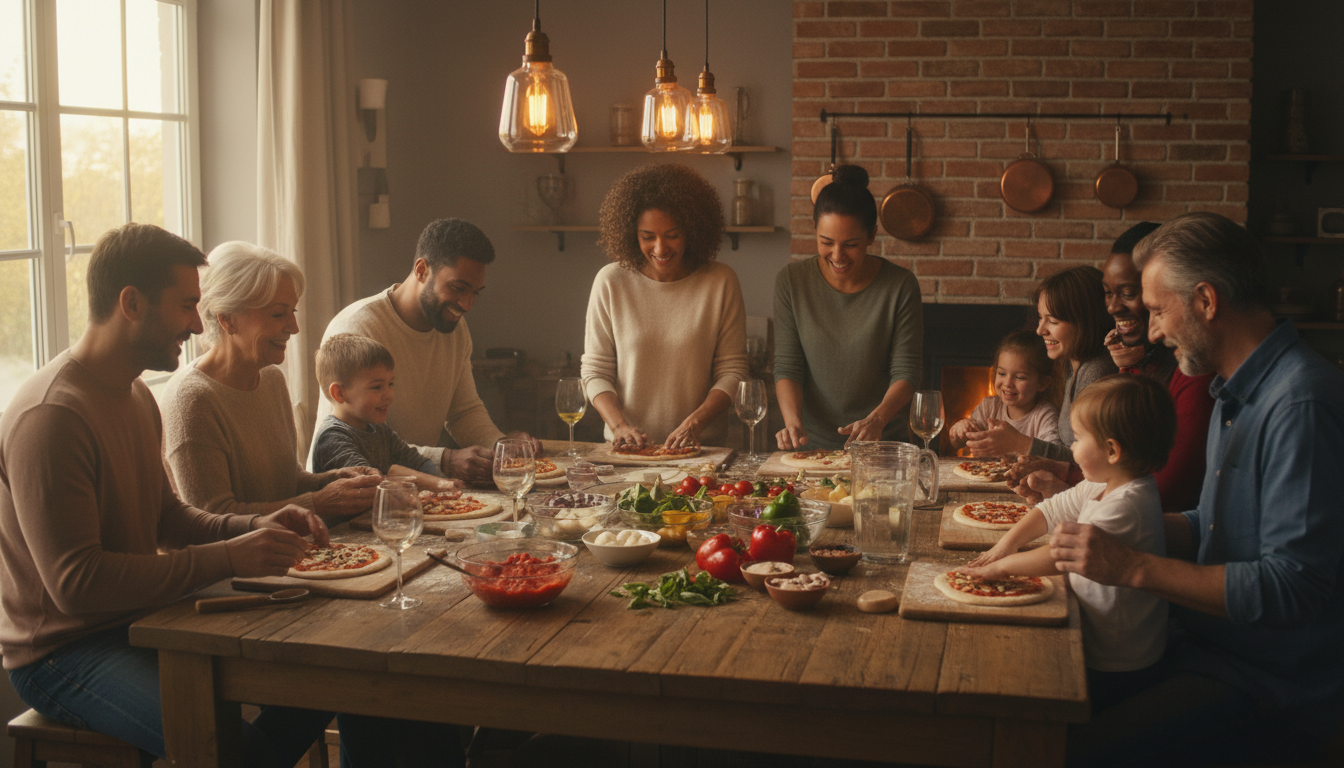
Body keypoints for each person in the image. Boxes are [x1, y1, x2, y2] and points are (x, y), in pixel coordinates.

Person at [0, 223, 333, 765]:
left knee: (333, 677)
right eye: (185, 306)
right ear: (131, 303)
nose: (196, 323)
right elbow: (76, 586)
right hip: (63, 653)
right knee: (234, 750)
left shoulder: (133, 391)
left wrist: (255, 528)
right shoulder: (52, 416)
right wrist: (227, 555)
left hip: (139, 619)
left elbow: (169, 520)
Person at [1054, 212, 1344, 766]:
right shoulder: (1232, 389)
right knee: (1050, 693)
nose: (1154, 330)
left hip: (1268, 685)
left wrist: (1131, 567)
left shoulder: (1301, 403)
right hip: (1203, 647)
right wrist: (1107, 520)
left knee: (1063, 750)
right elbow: (1208, 525)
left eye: (1159, 310)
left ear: (1206, 301)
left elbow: (1293, 589)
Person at [964, 374, 1175, 712]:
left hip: (1117, 658)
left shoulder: (1128, 503)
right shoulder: (1104, 482)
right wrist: (1004, 546)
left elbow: (1061, 556)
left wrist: (1000, 568)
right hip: (1092, 630)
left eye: (1077, 439)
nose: (1071, 448)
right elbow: (1051, 509)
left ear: (1111, 450)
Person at [161, 242, 382, 523]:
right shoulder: (192, 399)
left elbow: (286, 482)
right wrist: (318, 502)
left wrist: (334, 480)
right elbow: (213, 517)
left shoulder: (270, 378)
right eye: (279, 314)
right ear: (227, 320)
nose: (294, 327)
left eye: (293, 311)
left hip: (286, 551)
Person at [1010, 225, 1216, 514]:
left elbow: (1152, 494)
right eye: (1107, 293)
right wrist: (1064, 477)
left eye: (1130, 292)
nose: (1111, 308)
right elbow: (1122, 469)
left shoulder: (1193, 376)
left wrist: (1065, 482)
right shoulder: (1133, 363)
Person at [317, 218, 538, 485]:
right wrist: (445, 459)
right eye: (458, 288)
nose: (467, 304)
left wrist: (503, 446)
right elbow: (361, 443)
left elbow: (464, 411)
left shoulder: (455, 328)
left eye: (476, 293)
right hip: (354, 495)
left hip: (414, 491)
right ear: (421, 270)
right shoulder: (356, 327)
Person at [581, 163, 748, 448]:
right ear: (632, 234)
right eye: (648, 237)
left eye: (672, 235)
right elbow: (595, 371)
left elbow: (733, 371)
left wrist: (695, 423)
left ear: (692, 230)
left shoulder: (720, 281)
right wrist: (619, 426)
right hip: (628, 450)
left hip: (700, 451)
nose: (660, 248)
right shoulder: (611, 282)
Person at [774, 164, 923, 450]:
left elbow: (907, 371)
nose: (838, 255)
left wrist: (877, 420)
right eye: (826, 242)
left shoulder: (900, 285)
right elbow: (787, 366)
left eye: (851, 244)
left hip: (882, 442)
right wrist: (792, 422)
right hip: (811, 445)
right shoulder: (791, 281)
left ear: (871, 236)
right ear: (814, 231)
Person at [972, 266, 1117, 461]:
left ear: (1084, 322)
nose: (1040, 330)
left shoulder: (1097, 373)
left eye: (1053, 321)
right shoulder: (1069, 364)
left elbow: (1091, 462)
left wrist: (1019, 443)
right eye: (1041, 318)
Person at [312, 333, 462, 492]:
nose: (389, 395)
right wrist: (437, 484)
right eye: (377, 387)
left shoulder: (380, 429)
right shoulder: (332, 438)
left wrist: (446, 484)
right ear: (339, 393)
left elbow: (417, 463)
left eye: (391, 384)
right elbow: (370, 485)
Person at [948, 328, 1058, 455]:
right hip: (984, 473)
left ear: (1042, 383)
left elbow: (1054, 455)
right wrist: (959, 431)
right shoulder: (989, 407)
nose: (1007, 383)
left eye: (1019, 377)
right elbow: (960, 443)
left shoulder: (1044, 415)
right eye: (1002, 373)